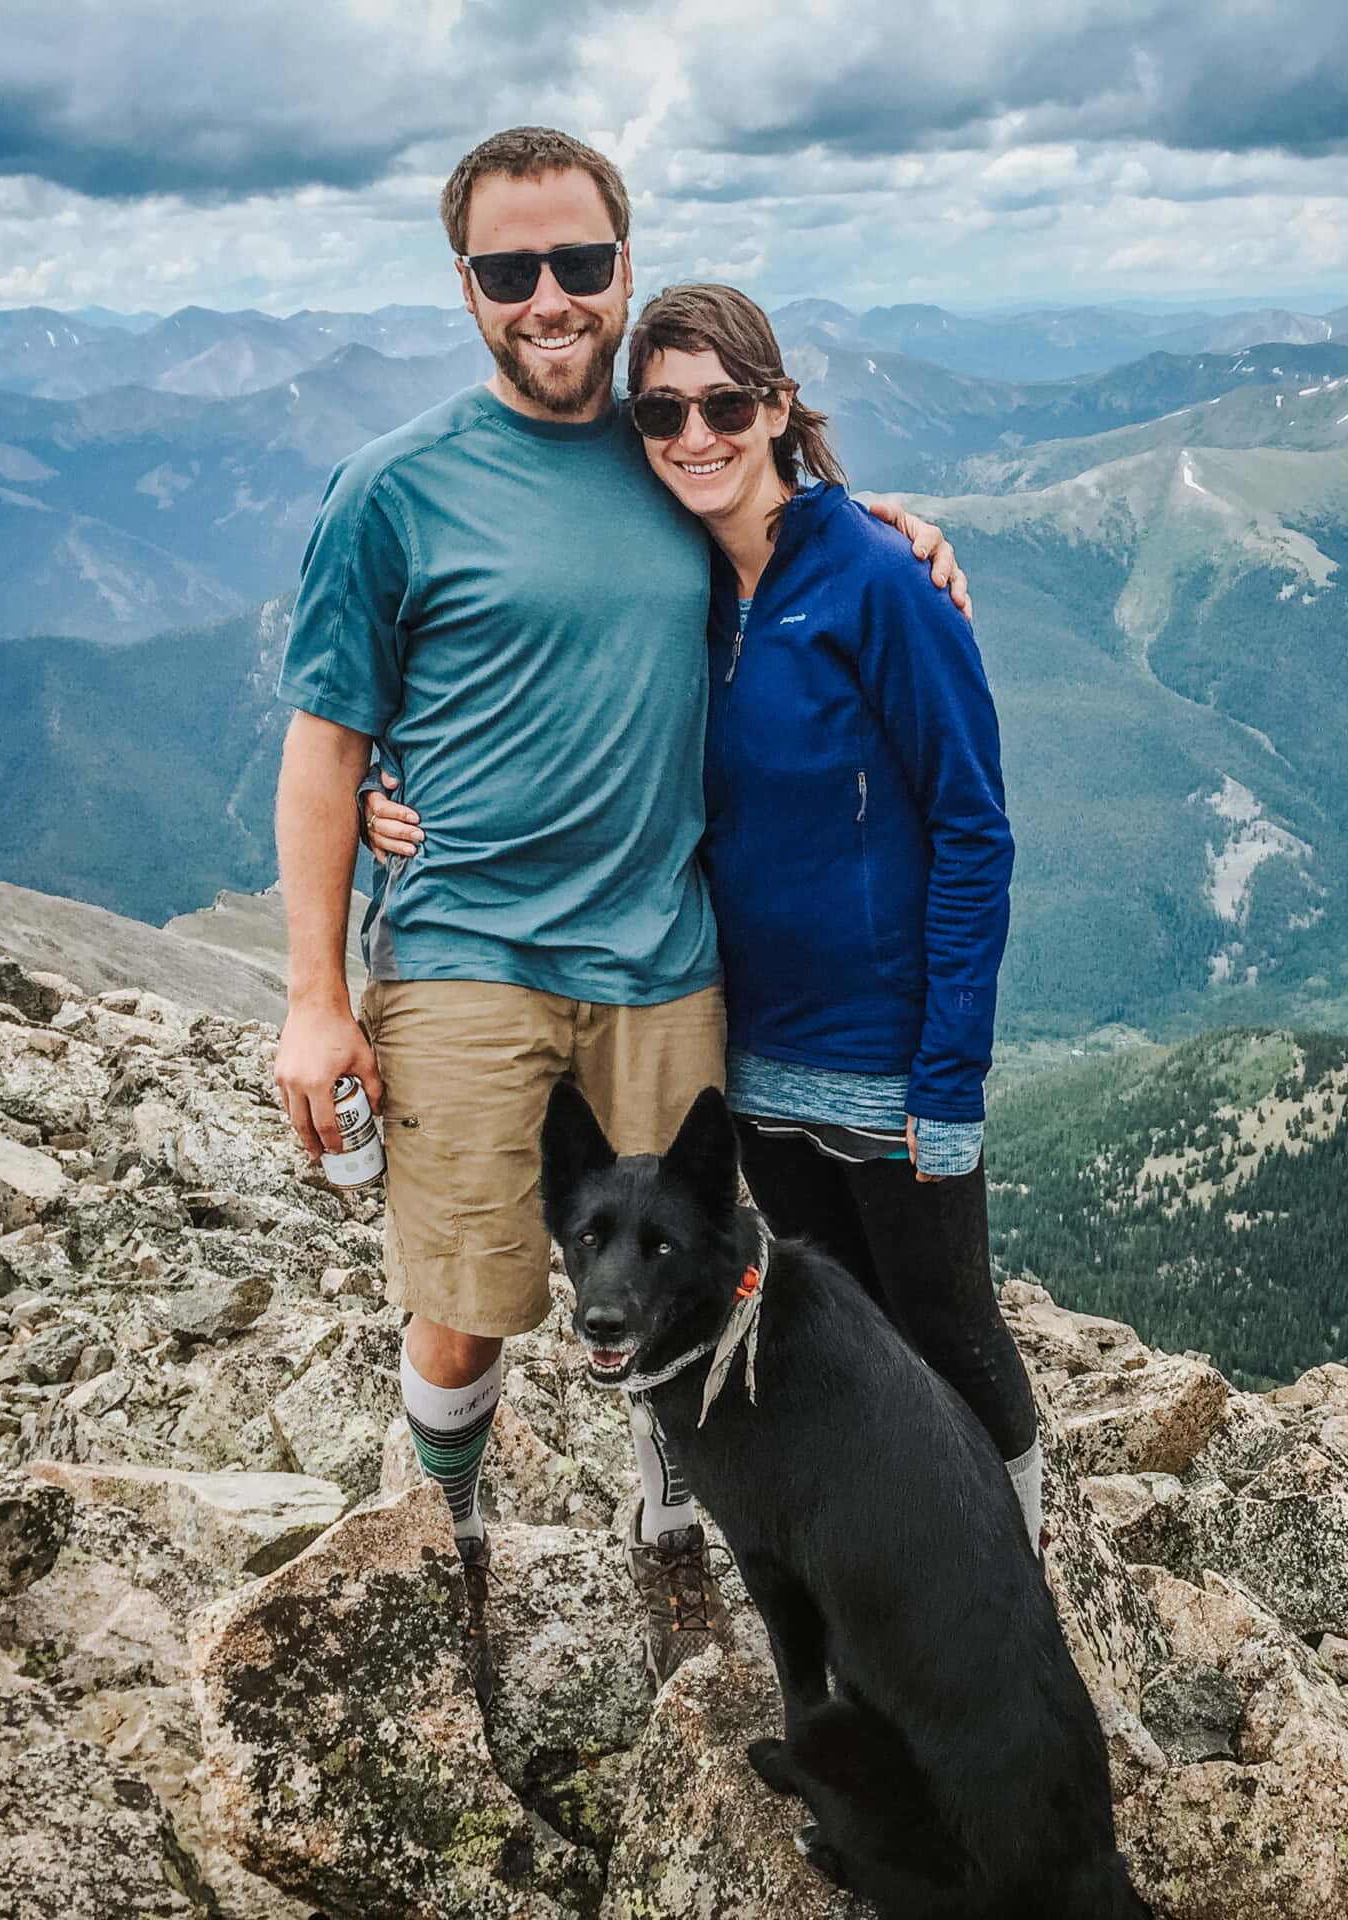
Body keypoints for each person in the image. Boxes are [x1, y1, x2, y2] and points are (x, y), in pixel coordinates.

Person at [270, 126, 967, 1687]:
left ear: (624, 263)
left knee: (686, 1286)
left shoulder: (668, 439)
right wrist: (316, 995)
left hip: (663, 958)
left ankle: (670, 1536)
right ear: (465, 285)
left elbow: (782, 512)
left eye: (579, 264)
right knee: (470, 1302)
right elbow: (324, 749)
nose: (550, 298)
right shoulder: (389, 491)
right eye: (511, 272)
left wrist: (905, 535)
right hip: (465, 958)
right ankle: (443, 1525)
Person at [367, 282, 1044, 1550]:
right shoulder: (684, 574)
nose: (694, 434)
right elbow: (510, 683)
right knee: (841, 1342)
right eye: (664, 409)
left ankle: (1016, 1591)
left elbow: (972, 828)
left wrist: (948, 1072)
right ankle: (881, 1566)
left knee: (949, 1334)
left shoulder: (879, 580)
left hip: (888, 1055)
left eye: (726, 404)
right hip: (748, 1050)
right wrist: (381, 782)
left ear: (777, 408)